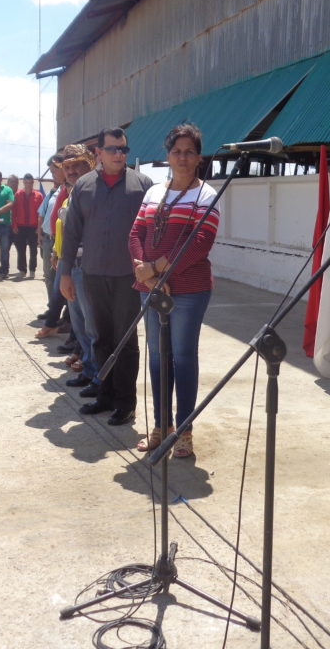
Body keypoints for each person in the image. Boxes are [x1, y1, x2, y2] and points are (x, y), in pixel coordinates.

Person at [129, 123, 219, 458]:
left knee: (182, 358)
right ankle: (161, 425)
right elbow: (136, 231)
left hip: (189, 291)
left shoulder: (206, 195)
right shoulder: (153, 192)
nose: (182, 158)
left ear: (198, 158)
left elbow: (198, 244)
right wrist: (146, 273)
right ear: (168, 156)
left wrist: (155, 268)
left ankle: (184, 430)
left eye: (189, 152)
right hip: (151, 288)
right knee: (157, 358)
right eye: (176, 151)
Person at [60, 127, 153, 426]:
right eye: (112, 149)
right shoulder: (84, 187)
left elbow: (153, 232)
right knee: (99, 337)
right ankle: (105, 394)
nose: (119, 154)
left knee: (125, 341)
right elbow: (71, 233)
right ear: (98, 152)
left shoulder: (143, 186)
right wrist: (65, 275)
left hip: (129, 277)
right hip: (93, 275)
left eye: (123, 149)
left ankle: (125, 403)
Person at [53, 146, 100, 391]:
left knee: (92, 327)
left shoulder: (95, 191)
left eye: (77, 165)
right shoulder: (71, 193)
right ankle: (88, 369)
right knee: (79, 324)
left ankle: (97, 377)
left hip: (90, 267)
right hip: (71, 266)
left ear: (89, 165)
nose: (71, 171)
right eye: (67, 167)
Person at [38, 156, 65, 302]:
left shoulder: (70, 190)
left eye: (54, 172)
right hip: (48, 238)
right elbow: (42, 214)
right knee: (49, 276)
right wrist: (40, 233)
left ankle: (62, 314)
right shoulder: (53, 192)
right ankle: (51, 308)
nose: (53, 176)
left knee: (60, 277)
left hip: (59, 240)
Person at [11, 173, 43, 279]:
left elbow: (41, 213)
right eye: (26, 182)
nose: (28, 184)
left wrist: (39, 228)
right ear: (23, 182)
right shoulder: (18, 194)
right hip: (20, 226)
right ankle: (22, 270)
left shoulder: (39, 196)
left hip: (33, 227)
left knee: (33, 250)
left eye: (30, 182)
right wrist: (14, 225)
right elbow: (14, 211)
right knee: (21, 250)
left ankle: (32, 270)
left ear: (33, 183)